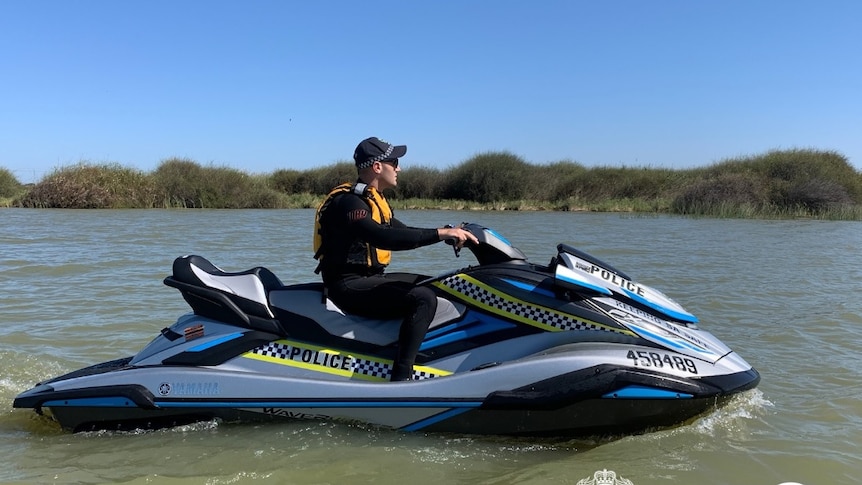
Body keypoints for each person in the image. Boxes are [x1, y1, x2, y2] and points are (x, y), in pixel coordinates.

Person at [313, 136, 478, 381]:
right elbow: (382, 237)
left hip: (369, 279)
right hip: (347, 285)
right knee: (423, 298)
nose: (399, 168)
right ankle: (401, 377)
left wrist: (448, 231)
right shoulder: (349, 203)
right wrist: (441, 234)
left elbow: (403, 231)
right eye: (395, 162)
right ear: (377, 166)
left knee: (439, 284)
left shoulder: (373, 200)